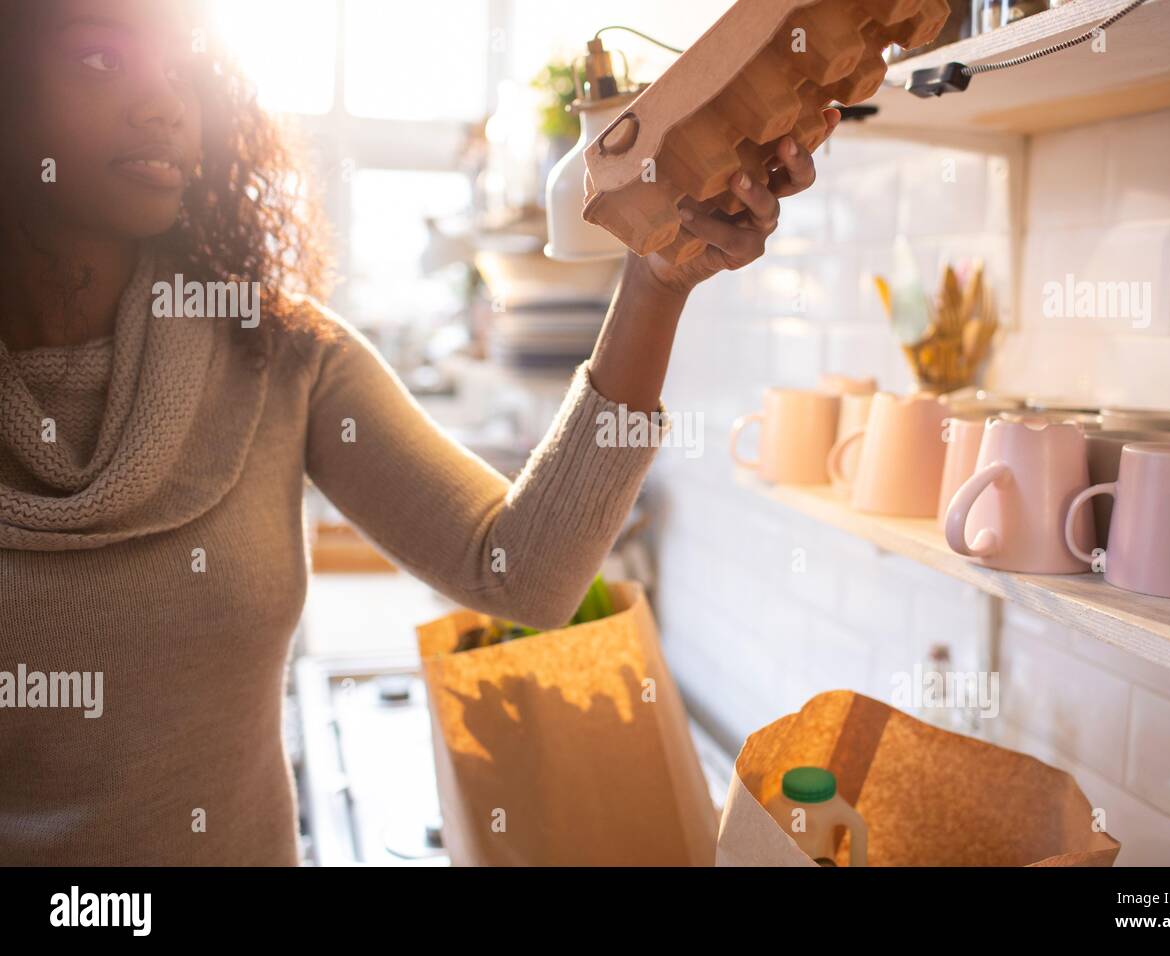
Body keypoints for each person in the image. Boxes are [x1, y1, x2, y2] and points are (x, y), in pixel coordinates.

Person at [0, 0, 839, 864]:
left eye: (184, 69)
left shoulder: (280, 354)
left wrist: (658, 283)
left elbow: (520, 569)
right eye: (100, 60)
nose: (163, 104)